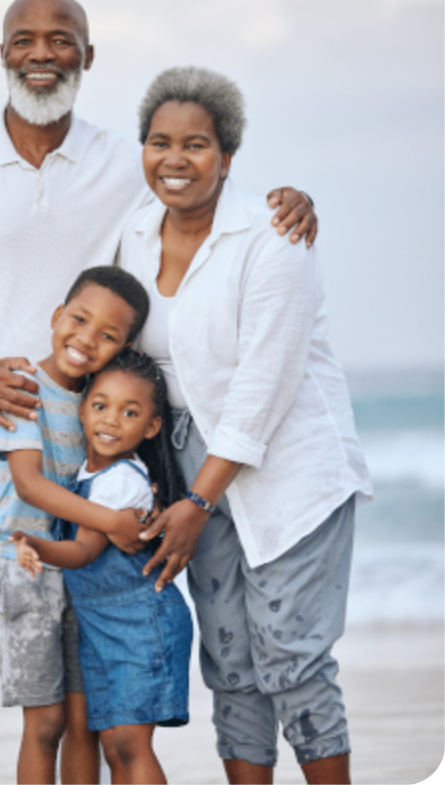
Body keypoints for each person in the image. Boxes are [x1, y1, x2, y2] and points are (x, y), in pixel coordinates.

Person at [0, 0, 318, 784]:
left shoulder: (127, 163)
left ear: (87, 57)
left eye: (61, 40)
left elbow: (201, 187)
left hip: (92, 449)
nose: (42, 53)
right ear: (2, 52)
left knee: (79, 672)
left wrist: (288, 202)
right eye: (25, 39)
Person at [117, 66, 373, 785]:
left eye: (196, 144)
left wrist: (199, 501)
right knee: (230, 662)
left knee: (292, 656)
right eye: (160, 142)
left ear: (227, 156)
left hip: (287, 468)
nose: (175, 159)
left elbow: (264, 385)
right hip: (185, 467)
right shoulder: (132, 233)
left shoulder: (273, 236)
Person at [0, 265, 155, 785]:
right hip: (22, 570)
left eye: (108, 335)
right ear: (57, 316)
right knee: (46, 723)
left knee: (84, 721)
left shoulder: (100, 403)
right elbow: (30, 485)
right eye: (79, 320)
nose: (86, 339)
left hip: (80, 574)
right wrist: (112, 522)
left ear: (124, 347)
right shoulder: (22, 389)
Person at [14, 349, 193, 785]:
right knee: (113, 744)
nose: (111, 420)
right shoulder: (87, 475)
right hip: (102, 625)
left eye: (129, 413)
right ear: (82, 411)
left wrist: (36, 543)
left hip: (140, 623)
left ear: (151, 427)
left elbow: (83, 552)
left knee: (130, 744)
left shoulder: (120, 482)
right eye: (100, 406)